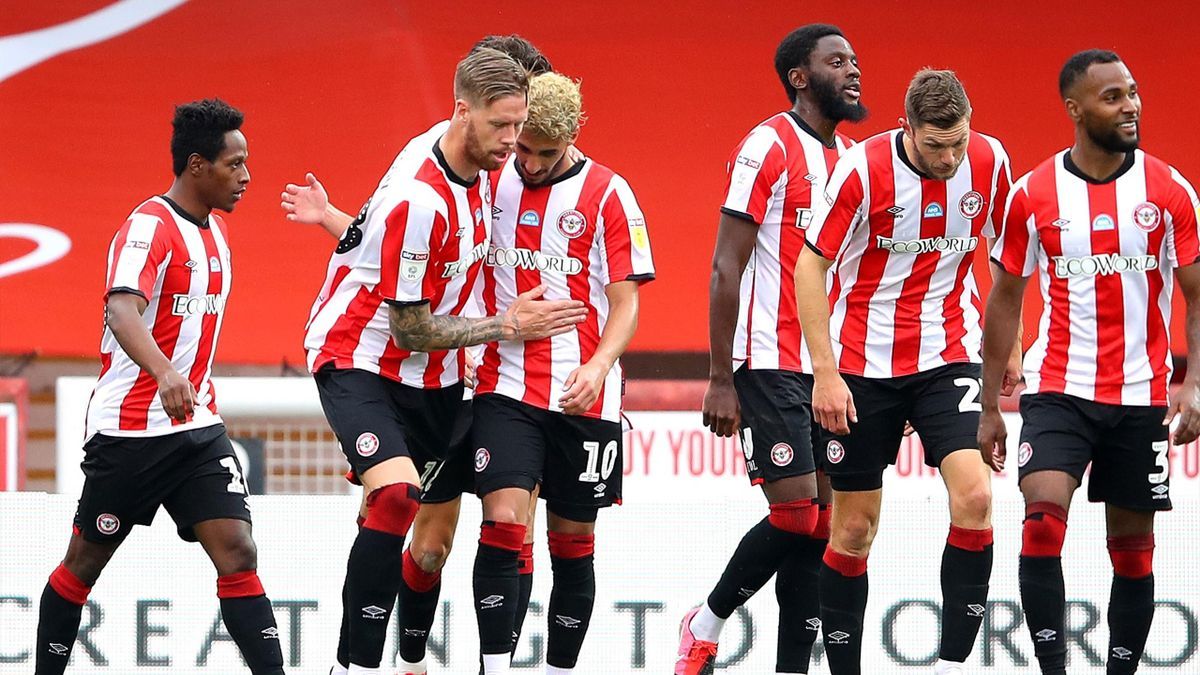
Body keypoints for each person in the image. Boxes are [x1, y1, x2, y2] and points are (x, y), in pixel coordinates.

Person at [300, 48, 586, 675]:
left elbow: (372, 240)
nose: (514, 143)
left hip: (444, 380)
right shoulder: (420, 197)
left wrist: (332, 220)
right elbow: (408, 327)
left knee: (431, 547)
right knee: (396, 496)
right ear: (462, 112)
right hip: (364, 358)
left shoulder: (487, 164)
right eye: (503, 127)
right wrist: (509, 324)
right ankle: (356, 666)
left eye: (520, 126)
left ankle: (409, 661)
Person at [34, 99, 285, 675]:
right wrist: (165, 372)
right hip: (130, 431)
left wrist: (184, 382)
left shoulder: (218, 235)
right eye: (235, 163)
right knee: (84, 564)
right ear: (198, 165)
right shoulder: (148, 226)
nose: (247, 176)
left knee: (239, 551)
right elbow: (123, 310)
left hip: (195, 429)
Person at [979, 49, 1200, 675]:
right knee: (1041, 528)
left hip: (1140, 397)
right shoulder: (1032, 194)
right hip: (1059, 388)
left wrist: (1195, 385)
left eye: (1133, 92)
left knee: (1132, 556)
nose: (1130, 106)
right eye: (1112, 97)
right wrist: (992, 401)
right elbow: (1004, 299)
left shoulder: (1169, 189)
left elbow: (1197, 295)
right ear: (1075, 109)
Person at [794, 69, 1021, 675]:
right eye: (933, 146)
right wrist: (823, 373)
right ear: (906, 129)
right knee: (855, 530)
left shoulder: (991, 159)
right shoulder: (863, 170)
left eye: (957, 144)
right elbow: (810, 268)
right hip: (861, 367)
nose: (948, 159)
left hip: (948, 352)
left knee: (975, 496)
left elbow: (1007, 261)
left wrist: (1010, 347)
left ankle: (951, 664)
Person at [677, 24, 865, 675]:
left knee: (821, 527)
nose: (852, 71)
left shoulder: (853, 159)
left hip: (827, 370)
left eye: (854, 61)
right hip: (765, 359)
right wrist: (721, 376)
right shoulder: (768, 144)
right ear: (799, 76)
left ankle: (792, 668)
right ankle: (704, 622)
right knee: (793, 514)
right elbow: (725, 265)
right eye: (835, 61)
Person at [468, 70, 654, 675]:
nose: (531, 162)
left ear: (576, 133)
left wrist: (600, 366)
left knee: (571, 548)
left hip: (583, 394)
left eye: (546, 153)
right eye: (523, 146)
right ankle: (494, 666)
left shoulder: (609, 193)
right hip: (505, 384)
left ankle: (559, 669)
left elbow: (626, 303)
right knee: (502, 519)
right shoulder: (489, 177)